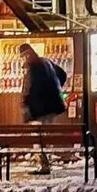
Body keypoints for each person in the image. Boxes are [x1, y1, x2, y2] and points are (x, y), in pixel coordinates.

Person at [18, 44, 66, 174]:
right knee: (45, 134)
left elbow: (28, 88)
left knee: (37, 137)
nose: (25, 58)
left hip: (38, 108)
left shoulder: (31, 67)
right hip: (52, 106)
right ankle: (46, 162)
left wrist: (25, 104)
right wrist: (56, 90)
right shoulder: (47, 61)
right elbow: (63, 74)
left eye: (24, 55)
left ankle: (43, 165)